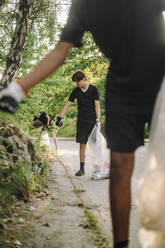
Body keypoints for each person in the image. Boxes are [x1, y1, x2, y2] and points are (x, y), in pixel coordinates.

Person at [0, 1, 164, 247]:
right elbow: (60, 51)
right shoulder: (83, 5)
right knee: (119, 165)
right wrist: (18, 88)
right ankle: (121, 244)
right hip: (122, 87)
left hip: (161, 78)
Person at [56, 70, 101, 176]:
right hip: (81, 121)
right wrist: (60, 117)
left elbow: (97, 106)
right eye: (76, 82)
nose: (77, 84)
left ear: (84, 78)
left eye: (78, 82)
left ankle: (99, 168)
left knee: (96, 145)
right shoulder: (76, 90)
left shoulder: (94, 89)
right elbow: (67, 104)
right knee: (82, 145)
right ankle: (82, 169)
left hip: (92, 121)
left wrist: (98, 119)